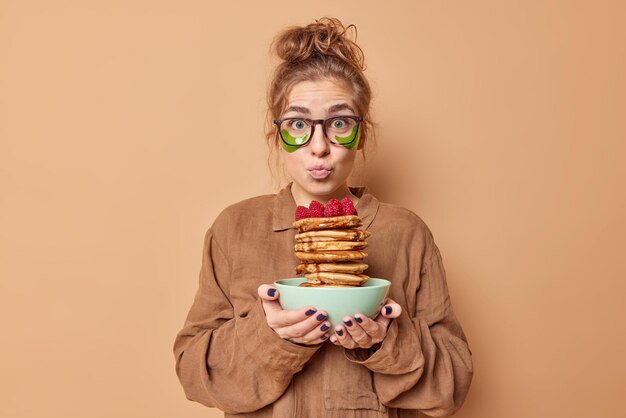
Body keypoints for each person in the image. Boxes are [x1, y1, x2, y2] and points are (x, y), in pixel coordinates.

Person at [173, 17, 473, 418]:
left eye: (338, 123)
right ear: (276, 133)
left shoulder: (406, 233)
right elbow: (193, 372)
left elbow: (453, 383)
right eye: (298, 124)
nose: (319, 146)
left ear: (360, 133)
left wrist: (386, 342)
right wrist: (271, 337)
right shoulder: (234, 228)